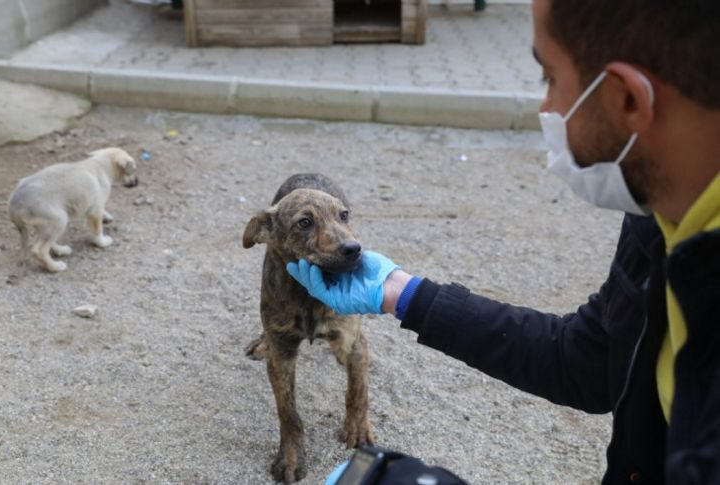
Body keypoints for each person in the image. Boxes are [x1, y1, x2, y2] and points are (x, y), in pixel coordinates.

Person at [287, 0, 720, 483]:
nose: (545, 109)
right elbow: (588, 360)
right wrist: (401, 291)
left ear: (628, 101)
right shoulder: (662, 215)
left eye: (549, 78)